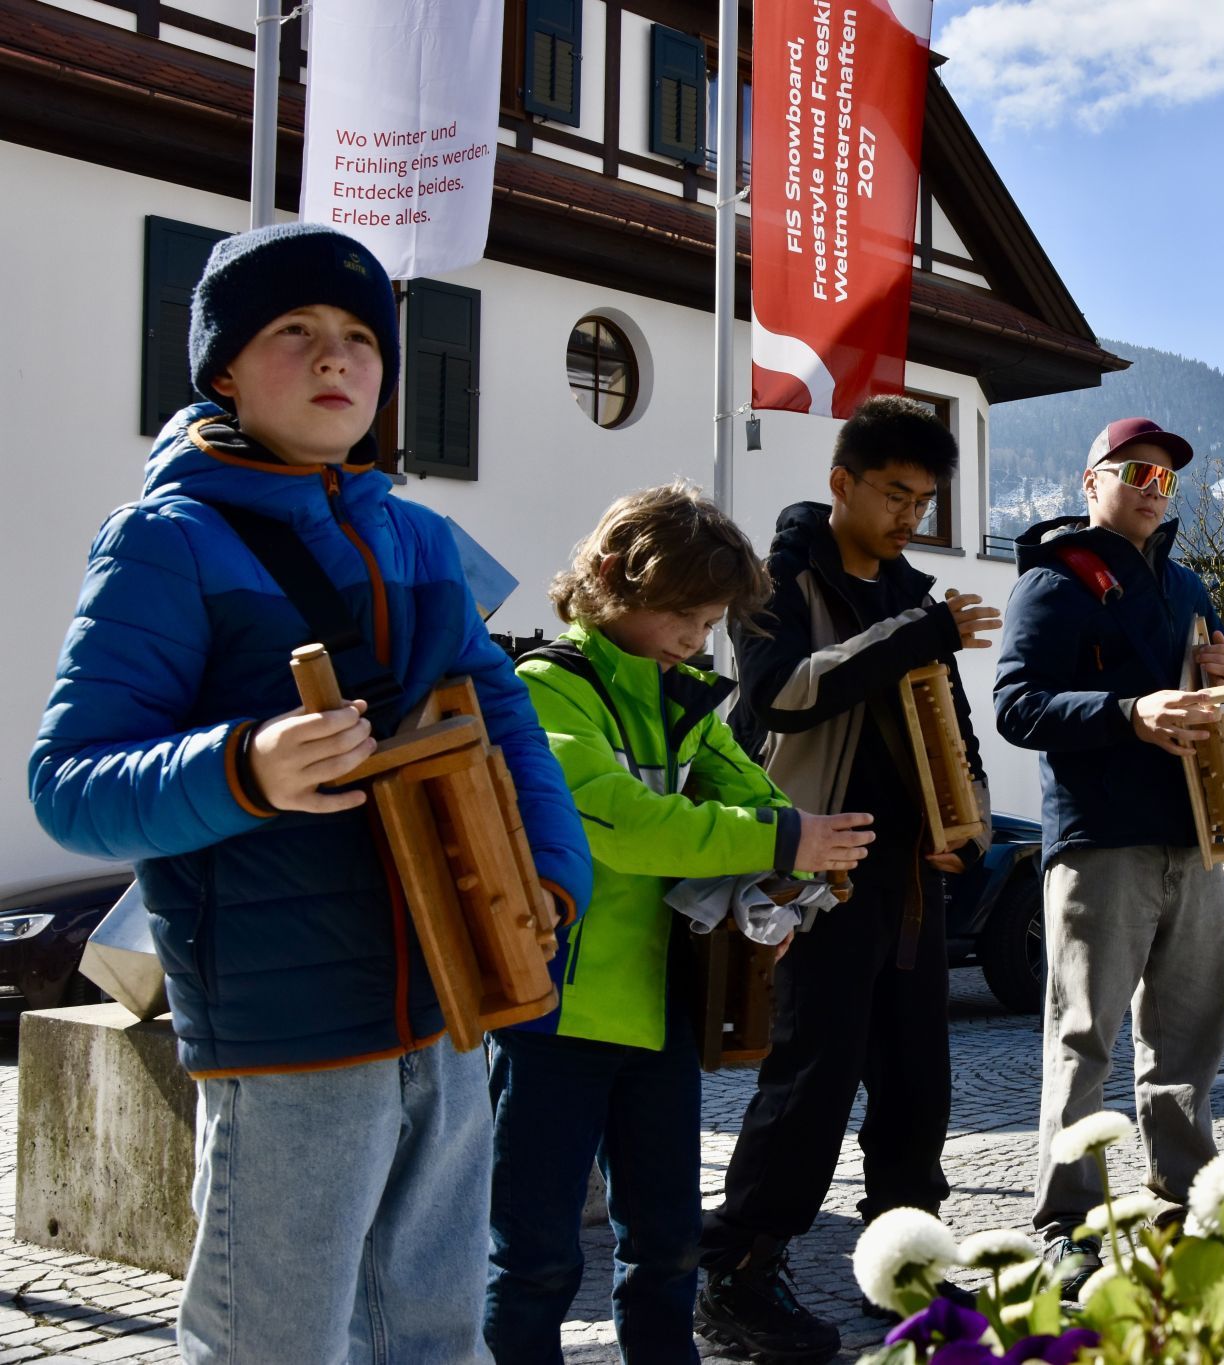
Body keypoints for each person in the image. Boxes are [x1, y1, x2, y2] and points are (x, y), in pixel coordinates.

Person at [28, 222, 592, 1362]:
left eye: (357, 337)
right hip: (287, 1032)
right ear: (223, 369)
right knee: (270, 1344)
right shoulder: (163, 542)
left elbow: (509, 733)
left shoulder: (424, 537)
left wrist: (549, 887)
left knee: (435, 1335)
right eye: (295, 332)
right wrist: (246, 767)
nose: (336, 357)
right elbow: (72, 787)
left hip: (451, 1006)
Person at [485, 484, 875, 1363]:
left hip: (658, 1017)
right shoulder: (548, 686)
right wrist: (785, 837)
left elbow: (760, 799)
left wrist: (792, 854)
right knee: (533, 1257)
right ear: (615, 580)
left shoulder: (685, 698)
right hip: (551, 1017)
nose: (699, 640)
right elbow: (619, 823)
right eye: (687, 618)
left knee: (665, 1247)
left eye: (708, 624)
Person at [695, 396, 995, 1361]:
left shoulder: (916, 591)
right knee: (810, 1078)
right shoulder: (776, 574)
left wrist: (972, 823)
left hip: (913, 874)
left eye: (926, 499)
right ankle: (739, 1271)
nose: (912, 514)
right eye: (896, 493)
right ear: (841, 484)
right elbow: (781, 694)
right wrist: (920, 634)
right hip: (815, 871)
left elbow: (958, 727)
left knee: (919, 1086)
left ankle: (907, 1269)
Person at [994, 418, 1224, 1294]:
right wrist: (1125, 712)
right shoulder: (1052, 581)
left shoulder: (1188, 585)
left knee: (1191, 1036)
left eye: (1167, 478)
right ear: (1091, 480)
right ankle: (1063, 1221)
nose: (1152, 485)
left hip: (1196, 836)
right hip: (1100, 839)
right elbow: (1016, 706)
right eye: (1135, 470)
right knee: (1084, 1036)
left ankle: (1182, 1203)